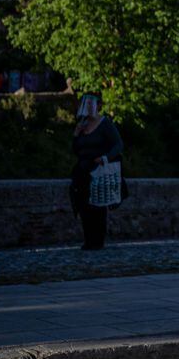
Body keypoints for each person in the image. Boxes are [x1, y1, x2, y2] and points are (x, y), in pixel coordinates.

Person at [67, 92, 123, 251]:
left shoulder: (105, 123)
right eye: (87, 103)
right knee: (83, 206)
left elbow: (118, 145)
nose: (89, 107)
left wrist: (105, 158)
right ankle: (88, 240)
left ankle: (98, 241)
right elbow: (76, 150)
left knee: (98, 205)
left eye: (92, 104)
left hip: (99, 170)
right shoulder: (82, 124)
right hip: (83, 170)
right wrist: (76, 134)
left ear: (98, 105)